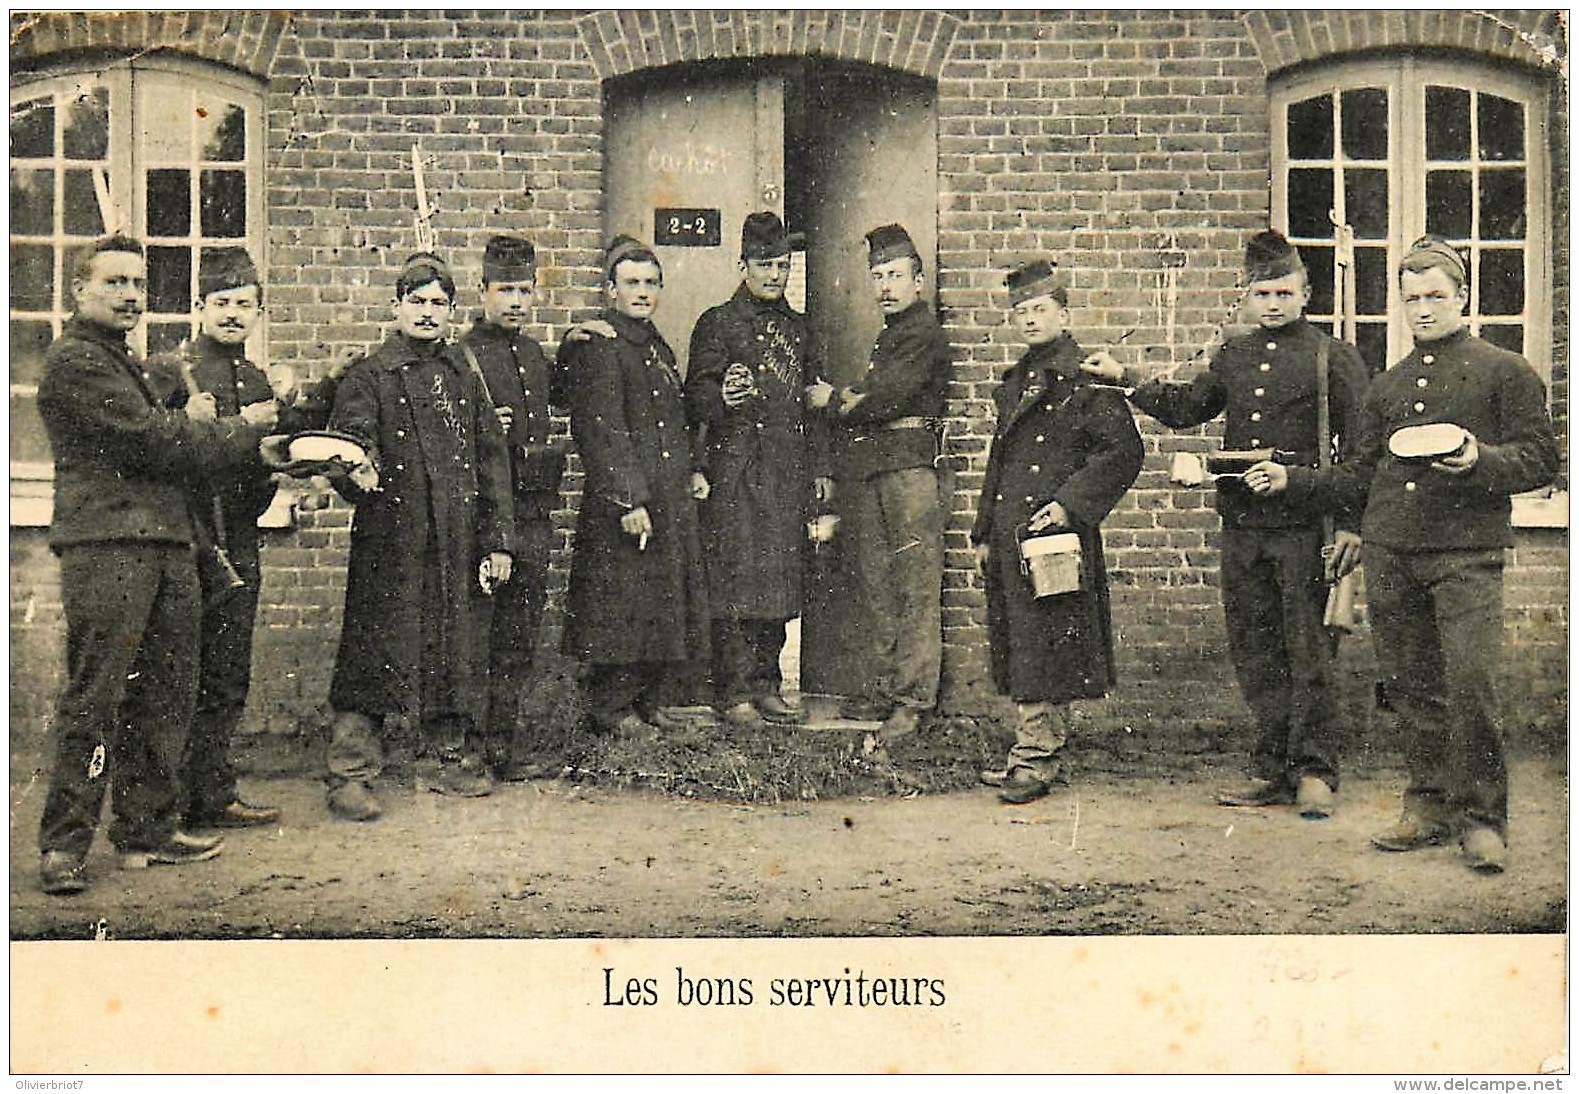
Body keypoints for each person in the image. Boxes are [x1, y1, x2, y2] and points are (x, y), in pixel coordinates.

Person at [1249, 235, 1558, 873]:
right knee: (1412, 689)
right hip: (1393, 553)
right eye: (1411, 298)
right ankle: (1428, 805)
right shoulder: (1386, 387)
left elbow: (1541, 458)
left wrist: (1481, 459)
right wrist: (1296, 481)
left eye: (1435, 297)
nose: (1423, 309)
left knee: (1470, 685)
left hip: (1466, 554)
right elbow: (1358, 476)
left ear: (1462, 298)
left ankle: (1482, 819)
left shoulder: (1505, 371)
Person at [1082, 229, 1368, 819]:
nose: (1272, 303)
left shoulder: (1330, 356)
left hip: (1303, 530)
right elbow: (1188, 407)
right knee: (1256, 648)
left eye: (1284, 292)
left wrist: (1348, 526)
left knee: (1308, 649)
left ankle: (1315, 770)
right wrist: (1125, 376)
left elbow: (1361, 455)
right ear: (1245, 295)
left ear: (1306, 292)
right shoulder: (1234, 355)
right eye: (1262, 292)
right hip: (1244, 526)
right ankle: (1270, 767)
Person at [35, 235, 282, 895]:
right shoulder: (76, 363)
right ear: (79, 291)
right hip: (107, 546)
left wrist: (199, 422)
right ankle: (64, 846)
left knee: (168, 692)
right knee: (97, 697)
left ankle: (147, 826)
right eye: (115, 282)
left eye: (139, 285)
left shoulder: (130, 364)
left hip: (170, 545)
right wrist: (241, 427)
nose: (130, 296)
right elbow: (155, 442)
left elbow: (171, 435)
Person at [322, 252, 516, 821]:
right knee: (372, 650)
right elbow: (351, 440)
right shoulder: (370, 375)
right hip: (391, 539)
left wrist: (498, 539)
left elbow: (491, 460)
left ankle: (448, 758)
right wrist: (358, 467)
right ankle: (350, 773)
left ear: (452, 311)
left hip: (455, 539)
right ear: (396, 306)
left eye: (438, 303)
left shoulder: (464, 375)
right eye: (417, 301)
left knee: (454, 644)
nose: (427, 313)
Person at [154, 246, 337, 831]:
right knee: (181, 673)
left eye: (244, 304)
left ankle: (213, 792)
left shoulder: (257, 378)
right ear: (200, 306)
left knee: (229, 674)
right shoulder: (171, 370)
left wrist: (300, 472)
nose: (233, 314)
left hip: (238, 540)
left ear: (258, 312)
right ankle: (168, 804)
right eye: (223, 303)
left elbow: (264, 458)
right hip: (187, 543)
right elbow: (161, 456)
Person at [972, 261, 1144, 804]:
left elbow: (1124, 452)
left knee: (1045, 643)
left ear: (1064, 314)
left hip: (1054, 536)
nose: (1029, 320)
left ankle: (1035, 758)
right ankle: (1034, 749)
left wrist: (1070, 505)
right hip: (1011, 532)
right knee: (1026, 643)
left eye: (1039, 310)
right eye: (1020, 312)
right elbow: (998, 462)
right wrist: (982, 532)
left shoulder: (1087, 378)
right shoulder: (1018, 380)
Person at [683, 212, 832, 729]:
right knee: (734, 583)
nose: (774, 275)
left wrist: (819, 469)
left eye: (783, 265)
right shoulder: (717, 323)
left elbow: (813, 405)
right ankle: (733, 692)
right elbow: (694, 395)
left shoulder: (799, 327)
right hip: (736, 472)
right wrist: (721, 394)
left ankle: (767, 685)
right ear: (742, 264)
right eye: (765, 264)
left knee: (779, 581)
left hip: (785, 471)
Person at [557, 235, 711, 734]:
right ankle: (611, 708)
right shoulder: (600, 345)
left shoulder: (655, 345)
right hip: (624, 502)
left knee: (658, 602)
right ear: (611, 289)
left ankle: (647, 701)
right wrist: (628, 498)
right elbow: (601, 429)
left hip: (665, 496)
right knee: (620, 605)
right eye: (631, 283)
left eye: (650, 283)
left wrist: (691, 470)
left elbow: (676, 419)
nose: (642, 292)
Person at [829, 223, 953, 740]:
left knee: (914, 586)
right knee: (878, 583)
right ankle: (883, 688)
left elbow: (886, 396)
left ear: (918, 282)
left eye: (896, 275)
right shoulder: (892, 335)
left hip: (908, 471)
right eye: (878, 276)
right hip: (879, 466)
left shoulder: (923, 332)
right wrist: (860, 397)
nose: (885, 286)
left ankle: (912, 700)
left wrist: (838, 401)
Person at [459, 235, 568, 780]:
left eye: (525, 290)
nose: (516, 301)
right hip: (484, 520)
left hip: (533, 516)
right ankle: (469, 747)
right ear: (482, 292)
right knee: (480, 635)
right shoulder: (462, 359)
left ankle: (503, 745)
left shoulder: (532, 356)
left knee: (519, 636)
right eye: (505, 290)